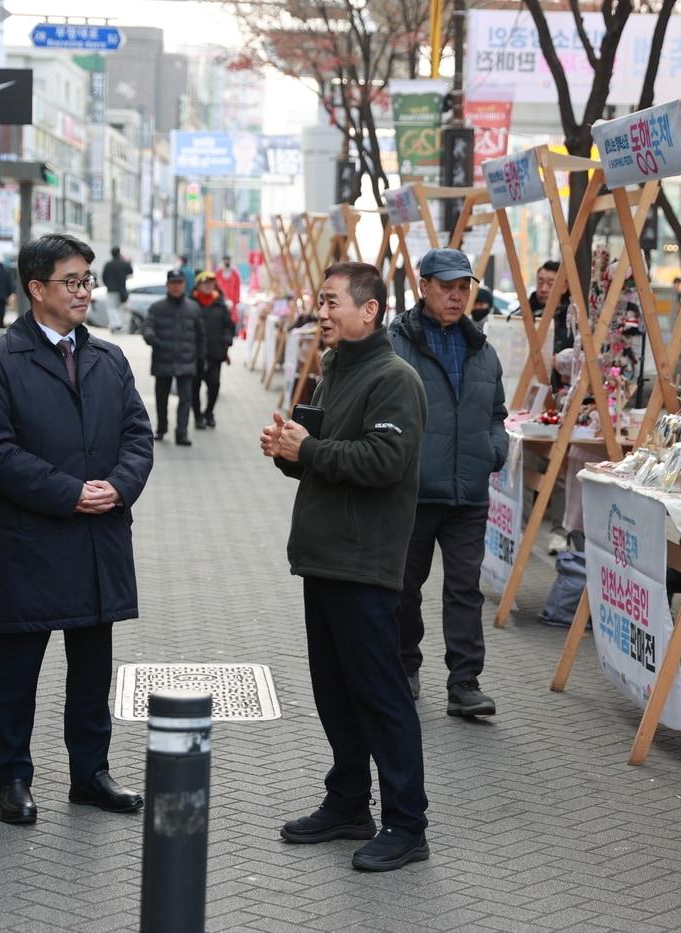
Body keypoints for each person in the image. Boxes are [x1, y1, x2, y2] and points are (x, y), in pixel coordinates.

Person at [0, 233, 154, 826]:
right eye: (72, 281)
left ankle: (90, 772)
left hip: (99, 537)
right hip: (35, 540)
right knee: (19, 664)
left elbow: (137, 435)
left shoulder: (108, 357)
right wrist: (69, 492)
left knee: (93, 667)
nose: (84, 292)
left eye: (87, 281)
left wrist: (118, 486)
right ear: (35, 288)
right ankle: (12, 778)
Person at [261, 260, 430, 872]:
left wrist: (310, 449)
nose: (323, 313)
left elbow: (384, 461)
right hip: (325, 557)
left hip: (366, 561)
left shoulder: (394, 377)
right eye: (321, 302)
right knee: (334, 690)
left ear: (371, 310)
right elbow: (327, 454)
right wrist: (290, 450)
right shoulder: (336, 368)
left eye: (333, 303)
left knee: (380, 694)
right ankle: (348, 801)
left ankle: (408, 824)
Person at [388, 249, 508, 717]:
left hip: (468, 494)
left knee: (465, 589)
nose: (457, 295)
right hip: (412, 491)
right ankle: (404, 665)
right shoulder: (395, 343)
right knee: (404, 587)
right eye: (446, 286)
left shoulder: (482, 348)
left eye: (464, 287)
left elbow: (496, 413)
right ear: (424, 286)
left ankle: (465, 683)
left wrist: (492, 451)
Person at [143, 269, 204, 446]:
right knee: (161, 398)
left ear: (184, 285)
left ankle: (182, 433)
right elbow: (148, 327)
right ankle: (161, 428)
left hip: (187, 361)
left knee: (186, 398)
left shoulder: (193, 307)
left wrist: (201, 359)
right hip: (163, 358)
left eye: (180, 283)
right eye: (173, 283)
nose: (176, 287)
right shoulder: (157, 308)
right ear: (167, 285)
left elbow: (201, 336)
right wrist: (151, 338)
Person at [191, 270, 236, 430]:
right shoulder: (191, 303)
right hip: (195, 355)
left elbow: (229, 326)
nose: (209, 286)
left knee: (214, 385)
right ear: (198, 285)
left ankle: (209, 412)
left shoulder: (220, 304)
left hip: (215, 353)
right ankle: (197, 416)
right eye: (205, 283)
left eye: (211, 283)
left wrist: (227, 339)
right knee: (194, 387)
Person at [101, 246, 133, 330]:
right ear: (119, 253)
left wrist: (107, 284)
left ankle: (116, 324)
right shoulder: (123, 263)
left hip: (111, 290)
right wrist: (126, 260)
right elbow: (131, 271)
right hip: (122, 289)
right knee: (120, 308)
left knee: (112, 308)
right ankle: (119, 324)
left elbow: (103, 276)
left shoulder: (108, 264)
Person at [215, 254, 242, 322]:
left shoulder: (235, 273)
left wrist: (236, 300)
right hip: (220, 300)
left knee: (232, 320)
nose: (227, 262)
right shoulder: (218, 272)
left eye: (228, 260)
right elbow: (215, 286)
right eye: (225, 260)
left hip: (232, 300)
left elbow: (237, 287)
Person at [0, 260, 16, 329]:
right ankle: (0, 323)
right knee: (1, 310)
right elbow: (9, 284)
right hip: (3, 295)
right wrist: (9, 294)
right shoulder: (6, 272)